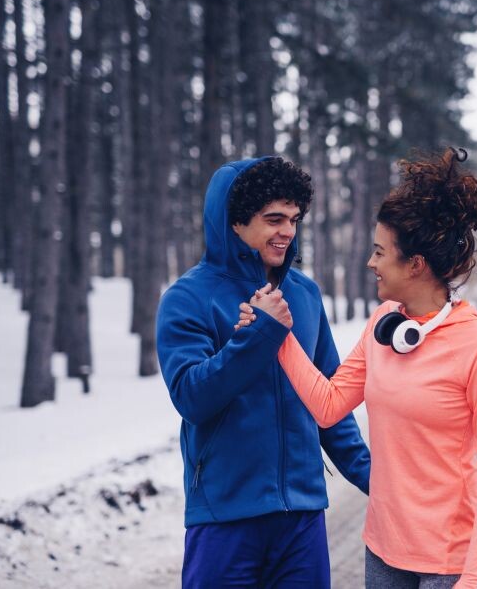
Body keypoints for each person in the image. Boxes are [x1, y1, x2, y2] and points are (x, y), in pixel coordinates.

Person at [239, 147, 477, 589]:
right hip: (384, 550)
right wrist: (278, 334)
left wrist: (472, 577)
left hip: (448, 561)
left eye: (380, 252)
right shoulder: (385, 323)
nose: (371, 263)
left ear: (415, 265)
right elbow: (329, 406)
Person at [156, 157, 371, 589]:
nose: (288, 231)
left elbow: (329, 405)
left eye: (294, 219)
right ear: (235, 222)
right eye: (274, 219)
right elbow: (192, 398)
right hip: (225, 516)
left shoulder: (305, 294)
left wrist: (381, 484)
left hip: (302, 519)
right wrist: (259, 336)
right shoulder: (188, 298)